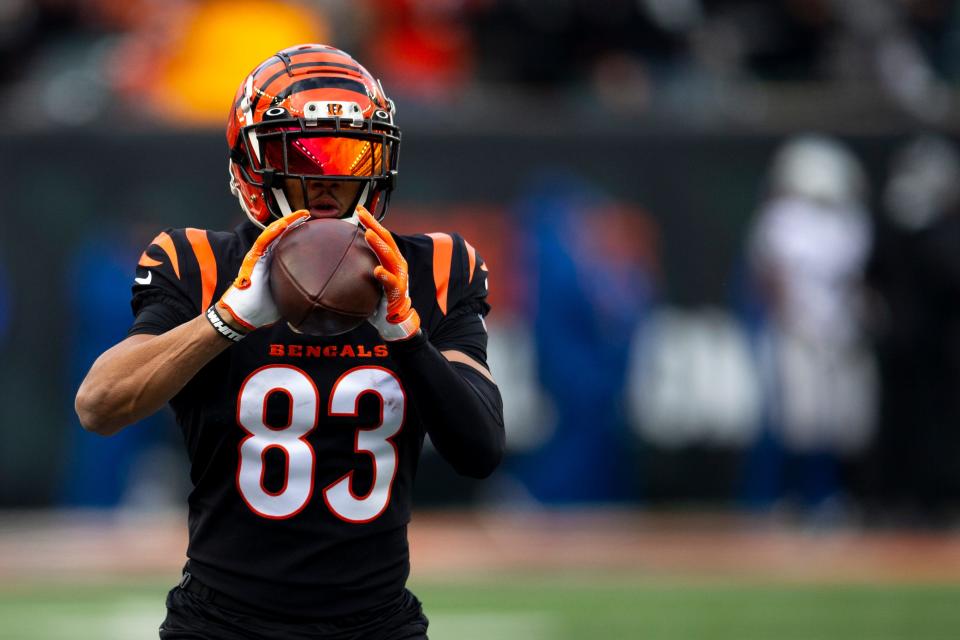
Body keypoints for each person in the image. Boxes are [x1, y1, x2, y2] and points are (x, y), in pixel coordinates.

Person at [74, 43, 505, 639]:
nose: (328, 180)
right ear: (251, 164)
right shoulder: (198, 262)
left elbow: (480, 449)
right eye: (300, 154)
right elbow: (98, 405)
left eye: (351, 154)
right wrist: (226, 320)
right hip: (220, 623)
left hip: (376, 623)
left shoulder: (432, 269)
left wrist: (406, 337)